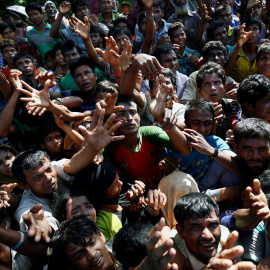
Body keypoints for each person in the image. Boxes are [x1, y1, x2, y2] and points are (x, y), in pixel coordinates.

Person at [173, 192, 255, 269]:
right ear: (180, 231)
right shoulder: (170, 252)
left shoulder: (229, 240)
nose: (208, 236)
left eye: (213, 225)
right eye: (196, 227)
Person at [196, 62, 241, 139]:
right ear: (199, 91)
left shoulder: (233, 107)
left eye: (217, 83)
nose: (212, 88)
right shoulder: (195, 112)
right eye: (207, 84)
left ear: (224, 87)